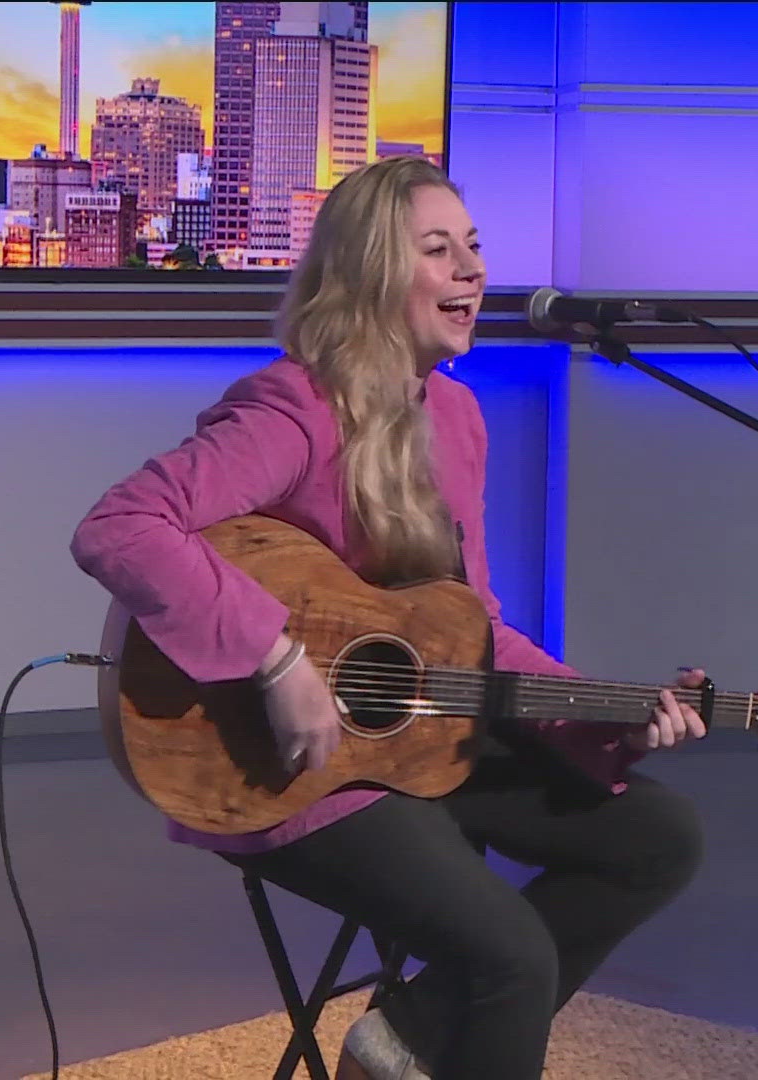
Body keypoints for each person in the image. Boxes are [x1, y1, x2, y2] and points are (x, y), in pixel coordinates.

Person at [70, 156, 706, 1080]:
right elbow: (121, 526)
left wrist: (597, 710)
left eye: (475, 248)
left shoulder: (457, 417)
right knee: (511, 958)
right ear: (371, 274)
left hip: (414, 738)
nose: (472, 272)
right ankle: (452, 1025)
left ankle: (412, 1035)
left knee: (661, 840)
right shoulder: (293, 409)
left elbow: (471, 628)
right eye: (438, 250)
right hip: (287, 765)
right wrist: (277, 660)